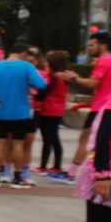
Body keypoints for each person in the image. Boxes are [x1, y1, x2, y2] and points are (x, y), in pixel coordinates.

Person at [0, 42, 46, 187]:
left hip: (0, 111)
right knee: (18, 144)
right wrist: (28, 86)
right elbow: (41, 84)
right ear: (23, 53)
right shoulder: (26, 67)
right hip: (21, 112)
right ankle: (17, 176)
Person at [73, 31, 111, 166]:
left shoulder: (104, 60)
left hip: (101, 107)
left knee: (86, 139)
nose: (90, 48)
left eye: (92, 45)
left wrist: (74, 78)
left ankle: (71, 173)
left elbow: (93, 83)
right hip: (108, 105)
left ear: (103, 46)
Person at [37, 50, 73, 178]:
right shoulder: (64, 77)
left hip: (48, 110)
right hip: (58, 110)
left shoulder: (53, 77)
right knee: (54, 139)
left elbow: (45, 92)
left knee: (47, 139)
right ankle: (56, 165)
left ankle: (43, 166)